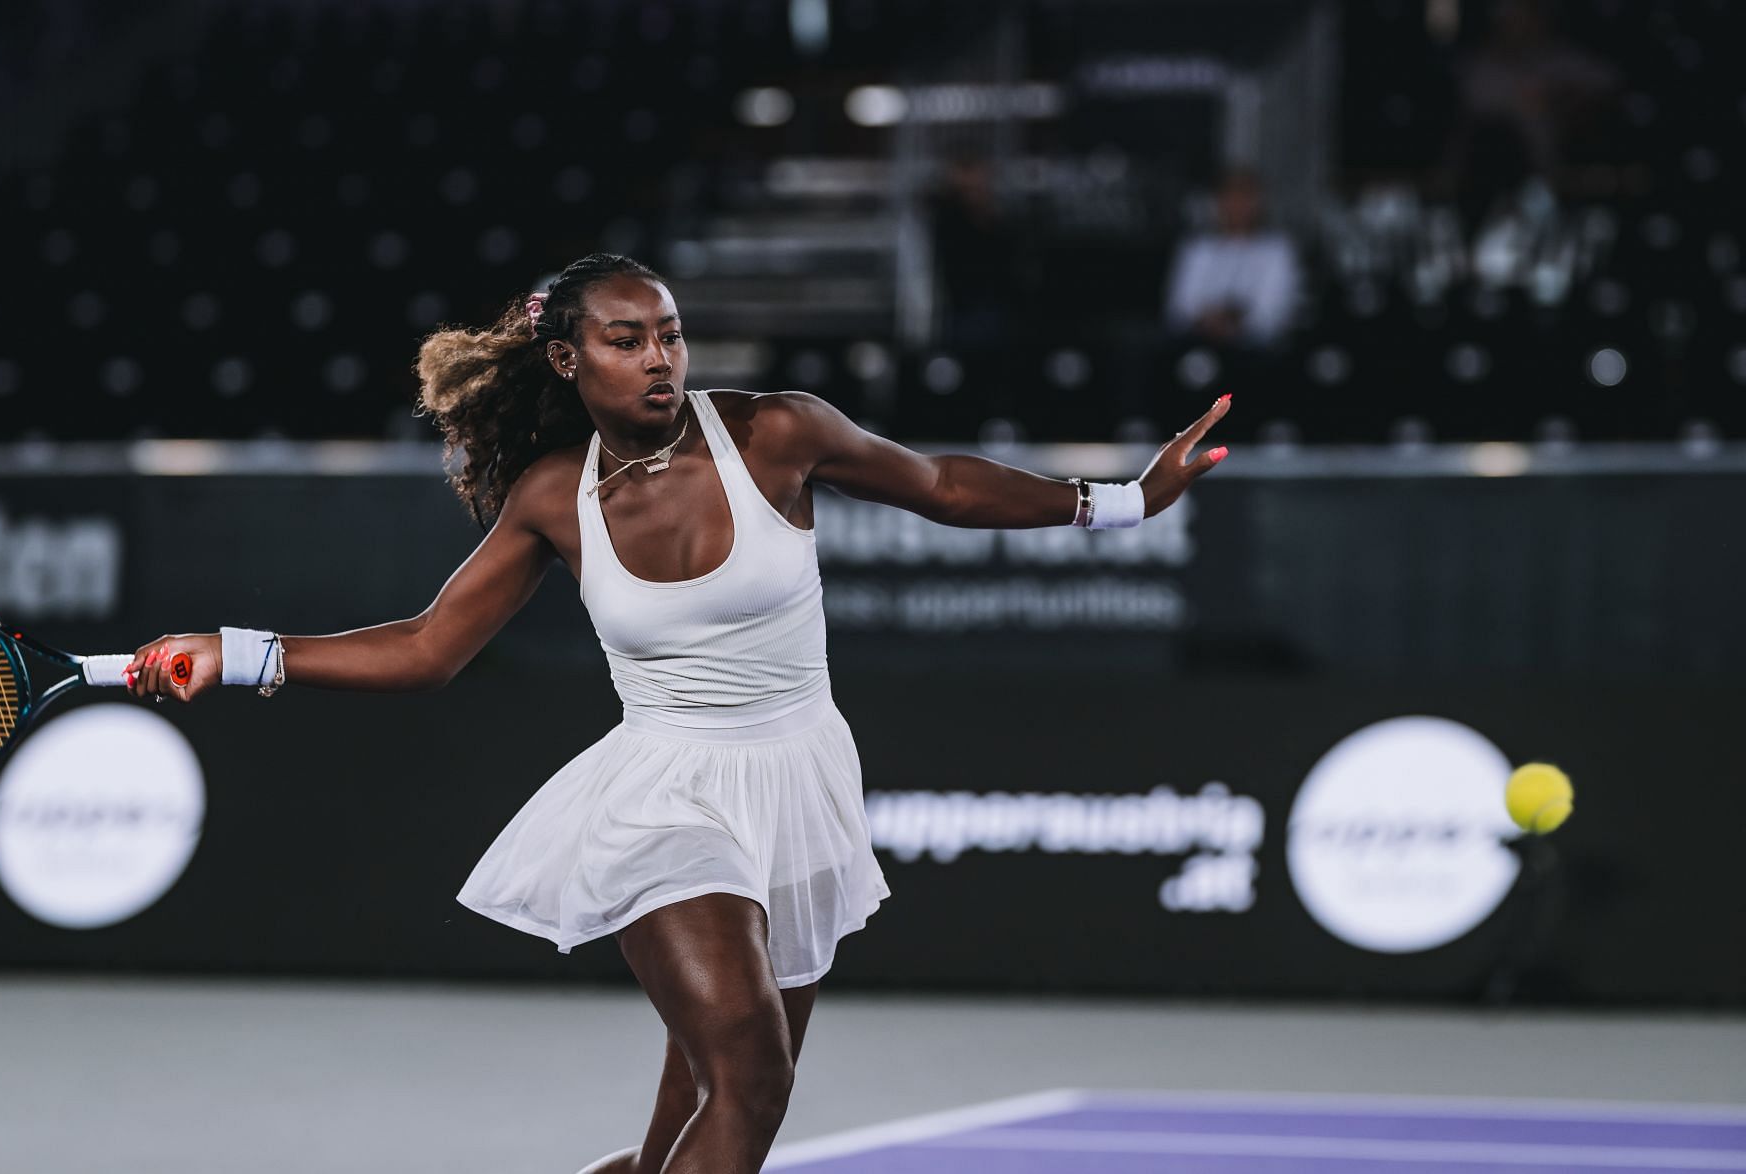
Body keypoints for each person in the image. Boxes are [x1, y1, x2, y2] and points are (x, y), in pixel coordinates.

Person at [119, 253, 1231, 1174]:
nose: (658, 356)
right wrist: (238, 653)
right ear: (568, 358)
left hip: (800, 783)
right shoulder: (554, 496)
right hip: (663, 795)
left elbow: (939, 485)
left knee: (699, 1137)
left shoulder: (777, 434)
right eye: (625, 337)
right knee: (751, 1076)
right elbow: (425, 647)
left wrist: (1127, 500)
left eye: (670, 333)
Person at [1163, 167, 1301, 349]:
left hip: (1255, 350)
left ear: (1257, 203)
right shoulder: (1197, 249)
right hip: (1198, 341)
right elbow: (1179, 306)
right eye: (1229, 197)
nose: (1236, 205)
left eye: (1244, 197)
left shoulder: (1276, 250)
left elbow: (1273, 312)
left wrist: (1234, 320)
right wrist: (1208, 320)